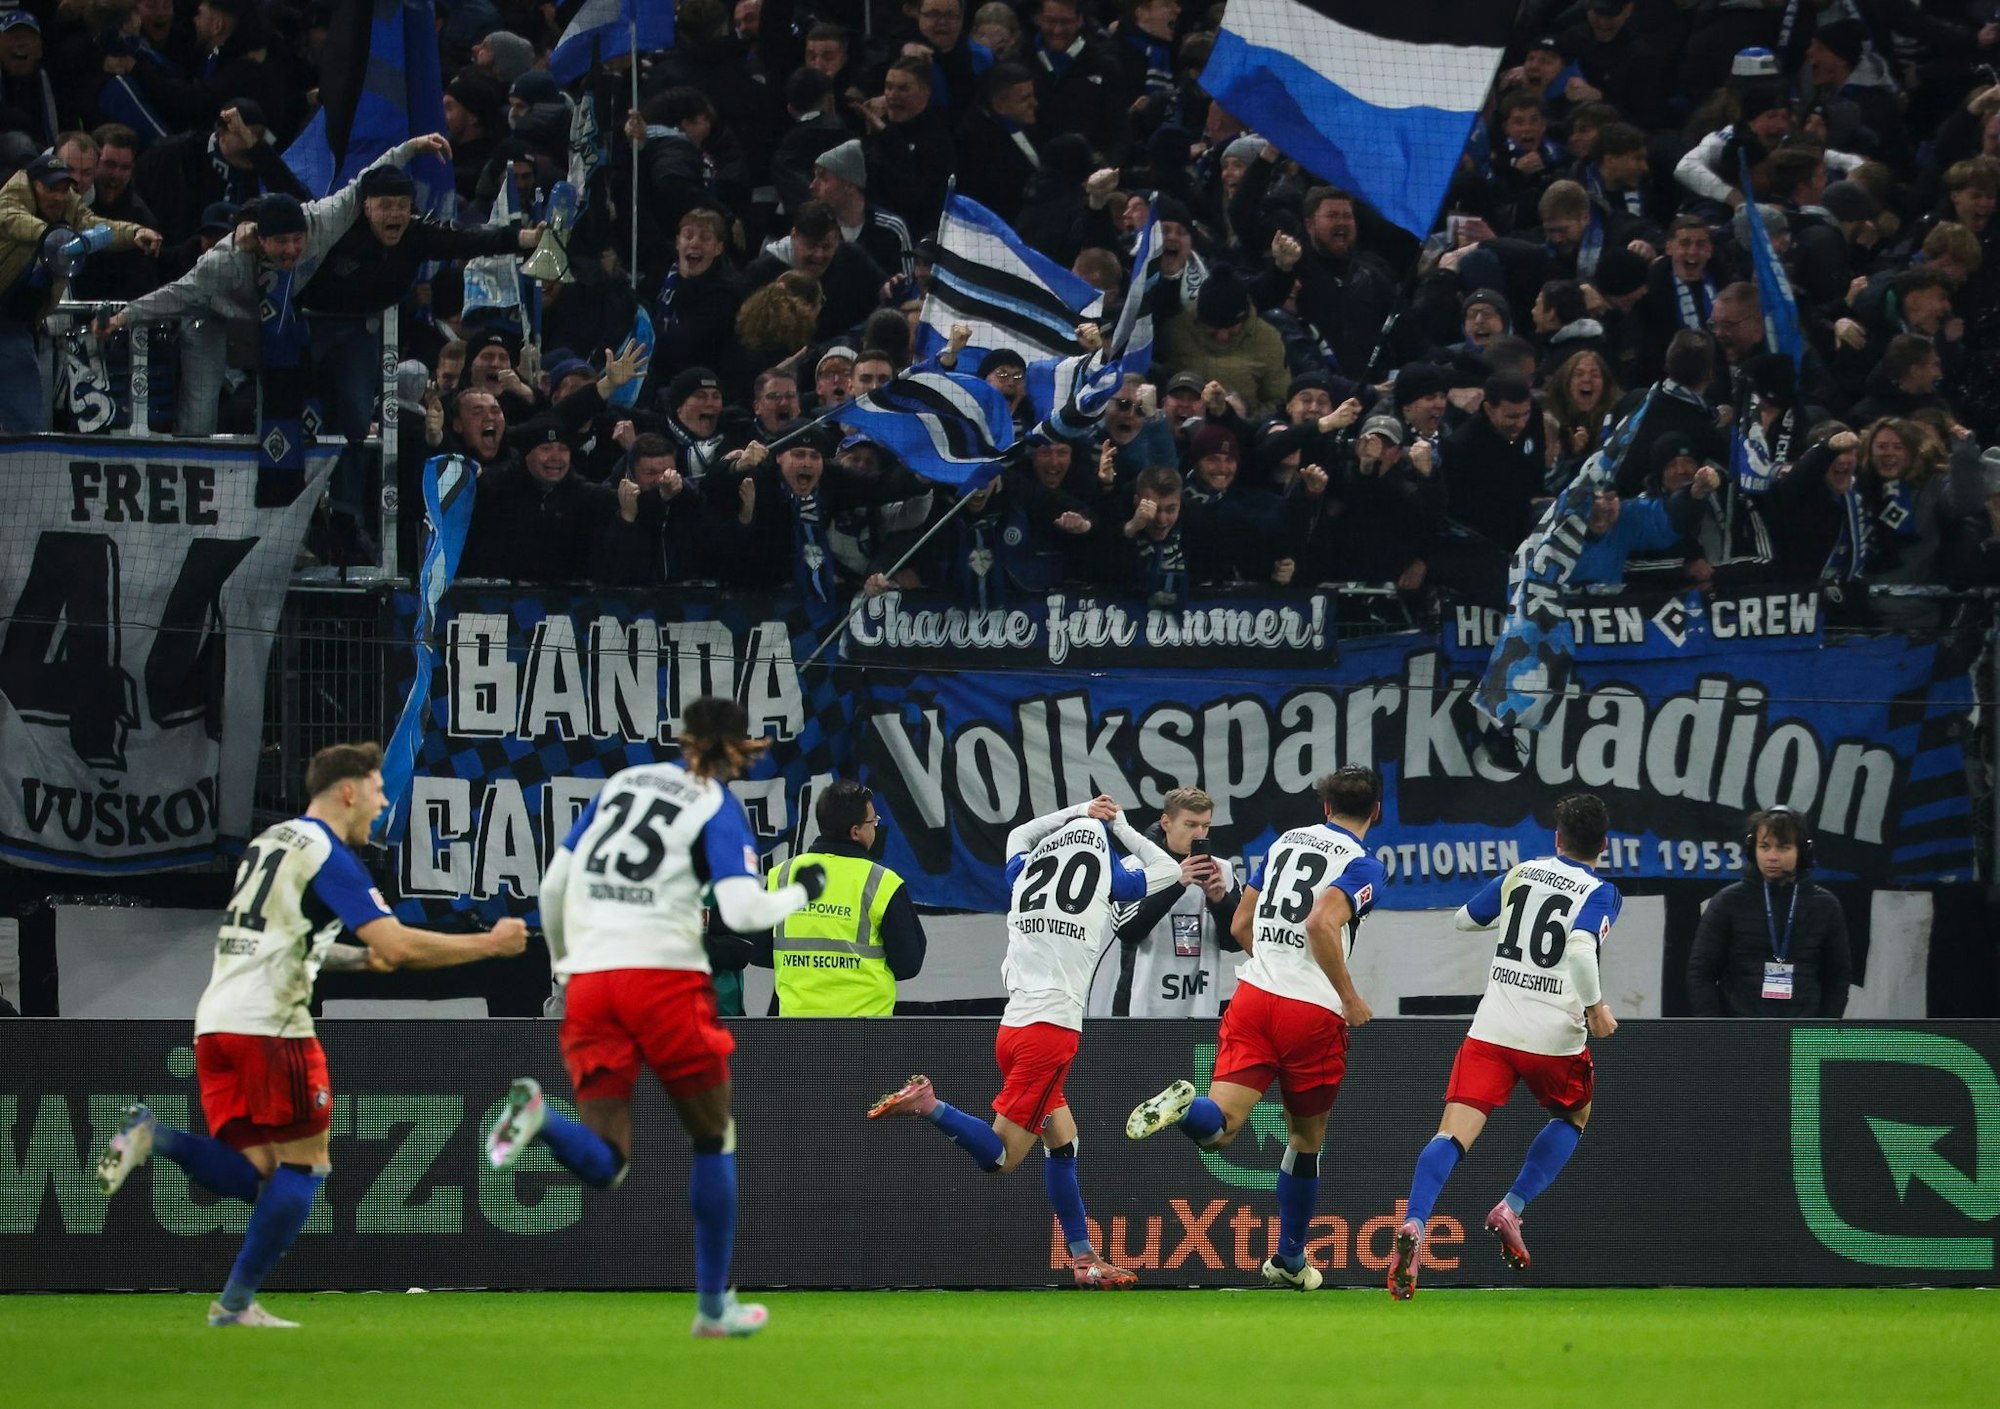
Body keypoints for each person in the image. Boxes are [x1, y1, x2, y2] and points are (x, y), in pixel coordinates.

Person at [94, 743, 527, 1327]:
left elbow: (282, 938)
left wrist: (355, 959)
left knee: (256, 1172)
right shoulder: (329, 853)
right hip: (273, 1027)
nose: (382, 804)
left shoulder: (269, 842)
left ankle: (154, 1137)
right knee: (306, 1166)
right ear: (348, 791)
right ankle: (235, 1305)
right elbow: (398, 944)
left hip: (217, 1024)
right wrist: (490, 945)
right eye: (377, 790)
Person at [483, 697, 825, 1338]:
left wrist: (564, 966)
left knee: (607, 1162)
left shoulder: (622, 784)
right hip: (663, 978)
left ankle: (540, 1118)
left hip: (591, 981)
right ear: (741, 749)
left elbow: (553, 887)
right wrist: (801, 891)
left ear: (684, 736)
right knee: (713, 1137)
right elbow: (743, 911)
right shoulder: (714, 802)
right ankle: (713, 1307)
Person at [865, 793, 1180, 1287]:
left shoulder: (1026, 870)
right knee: (1001, 1159)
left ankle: (1084, 1260)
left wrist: (1078, 811)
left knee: (1064, 1142)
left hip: (1013, 1028)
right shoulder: (1108, 874)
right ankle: (929, 1104)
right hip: (1050, 1035)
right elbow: (1169, 867)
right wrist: (1118, 824)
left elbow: (1020, 834)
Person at [1124, 765, 1389, 1292]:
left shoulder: (1286, 842)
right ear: (1377, 812)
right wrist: (1349, 997)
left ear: (1325, 807)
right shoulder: (1364, 864)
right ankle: (1290, 1257)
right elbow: (1321, 922)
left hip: (1253, 998)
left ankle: (1187, 1108)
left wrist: (1273, 963)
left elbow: (1242, 924)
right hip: (1310, 1013)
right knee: (1306, 1140)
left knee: (1220, 1130)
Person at [1385, 792, 1621, 1300]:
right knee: (1573, 1117)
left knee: (1451, 1133)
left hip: (1492, 1030)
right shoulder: (1601, 892)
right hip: (1553, 1038)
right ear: (1603, 844)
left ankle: (1415, 1220)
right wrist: (1596, 1007)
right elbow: (1581, 949)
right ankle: (1511, 1207)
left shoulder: (1523, 873)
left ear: (1556, 838)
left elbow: (1465, 919)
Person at [755, 780, 927, 1015]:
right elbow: (909, 963)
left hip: (797, 1027)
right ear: (855, 832)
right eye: (873, 822)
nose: (875, 828)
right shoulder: (882, 883)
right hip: (864, 1029)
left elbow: (758, 951)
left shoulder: (782, 876)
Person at [1686, 807, 1852, 1018]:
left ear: (1802, 851)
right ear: (1752, 850)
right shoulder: (1727, 901)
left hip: (1804, 1029)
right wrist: (1716, 1029)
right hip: (1740, 1030)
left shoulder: (1825, 905)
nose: (1772, 857)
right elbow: (1701, 971)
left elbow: (1838, 976)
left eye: (1783, 847)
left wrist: (1822, 1030)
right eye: (1764, 847)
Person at [1091, 787, 1241, 1018]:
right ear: (1166, 822)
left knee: (1202, 1047)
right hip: (1141, 1009)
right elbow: (1126, 929)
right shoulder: (1135, 868)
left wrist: (1219, 900)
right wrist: (1175, 883)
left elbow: (1235, 942)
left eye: (1206, 825)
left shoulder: (1223, 871)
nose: (1200, 834)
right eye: (1190, 825)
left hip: (1200, 1007)